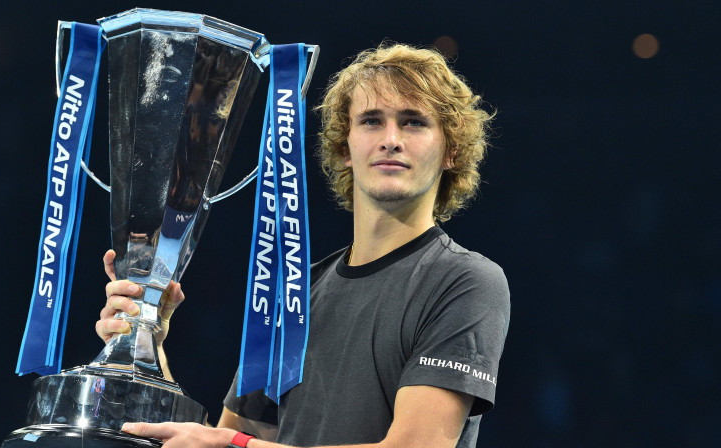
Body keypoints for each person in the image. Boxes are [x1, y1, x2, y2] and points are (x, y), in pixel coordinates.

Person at [97, 42, 510, 448]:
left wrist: (235, 444)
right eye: (370, 121)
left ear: (451, 150)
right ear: (344, 147)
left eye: (413, 122)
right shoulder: (296, 294)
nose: (390, 139)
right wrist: (146, 340)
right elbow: (225, 437)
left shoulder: (467, 281)